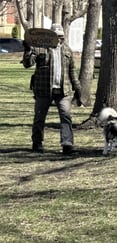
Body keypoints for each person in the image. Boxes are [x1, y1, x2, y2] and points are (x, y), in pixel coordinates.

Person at [22, 24, 81, 154]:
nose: (59, 39)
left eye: (61, 37)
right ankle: (37, 143)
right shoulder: (40, 49)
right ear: (50, 37)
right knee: (39, 117)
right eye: (56, 36)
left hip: (63, 91)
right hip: (43, 90)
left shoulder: (67, 50)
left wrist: (77, 87)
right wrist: (27, 50)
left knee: (66, 116)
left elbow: (72, 71)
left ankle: (67, 144)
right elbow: (27, 64)